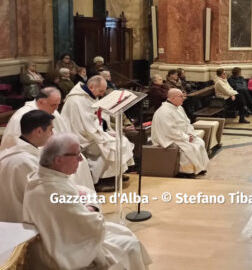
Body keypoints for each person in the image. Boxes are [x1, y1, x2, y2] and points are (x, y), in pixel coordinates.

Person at [23, 133, 152, 270]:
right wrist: (92, 207)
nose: (80, 159)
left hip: (71, 239)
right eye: (76, 155)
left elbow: (82, 195)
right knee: (131, 246)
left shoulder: (45, 177)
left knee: (124, 233)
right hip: (66, 250)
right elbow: (91, 225)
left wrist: (86, 203)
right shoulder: (51, 190)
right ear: (58, 160)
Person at [61, 76, 135, 188]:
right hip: (81, 137)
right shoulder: (76, 100)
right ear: (91, 87)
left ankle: (115, 174)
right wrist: (103, 135)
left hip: (91, 131)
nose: (101, 94)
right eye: (100, 91)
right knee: (110, 145)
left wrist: (106, 131)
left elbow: (97, 117)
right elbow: (83, 125)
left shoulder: (90, 96)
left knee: (121, 140)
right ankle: (101, 179)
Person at [0, 110, 55, 222]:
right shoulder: (28, 162)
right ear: (39, 131)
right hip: (23, 224)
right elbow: (44, 199)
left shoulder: (5, 154)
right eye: (51, 130)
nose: (52, 134)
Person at [152, 89, 210, 175]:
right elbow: (170, 131)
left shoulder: (179, 107)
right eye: (181, 96)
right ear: (173, 98)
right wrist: (186, 137)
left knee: (200, 142)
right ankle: (186, 171)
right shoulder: (164, 112)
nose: (183, 98)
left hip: (181, 136)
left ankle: (199, 167)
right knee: (189, 148)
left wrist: (190, 133)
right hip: (167, 139)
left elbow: (187, 122)